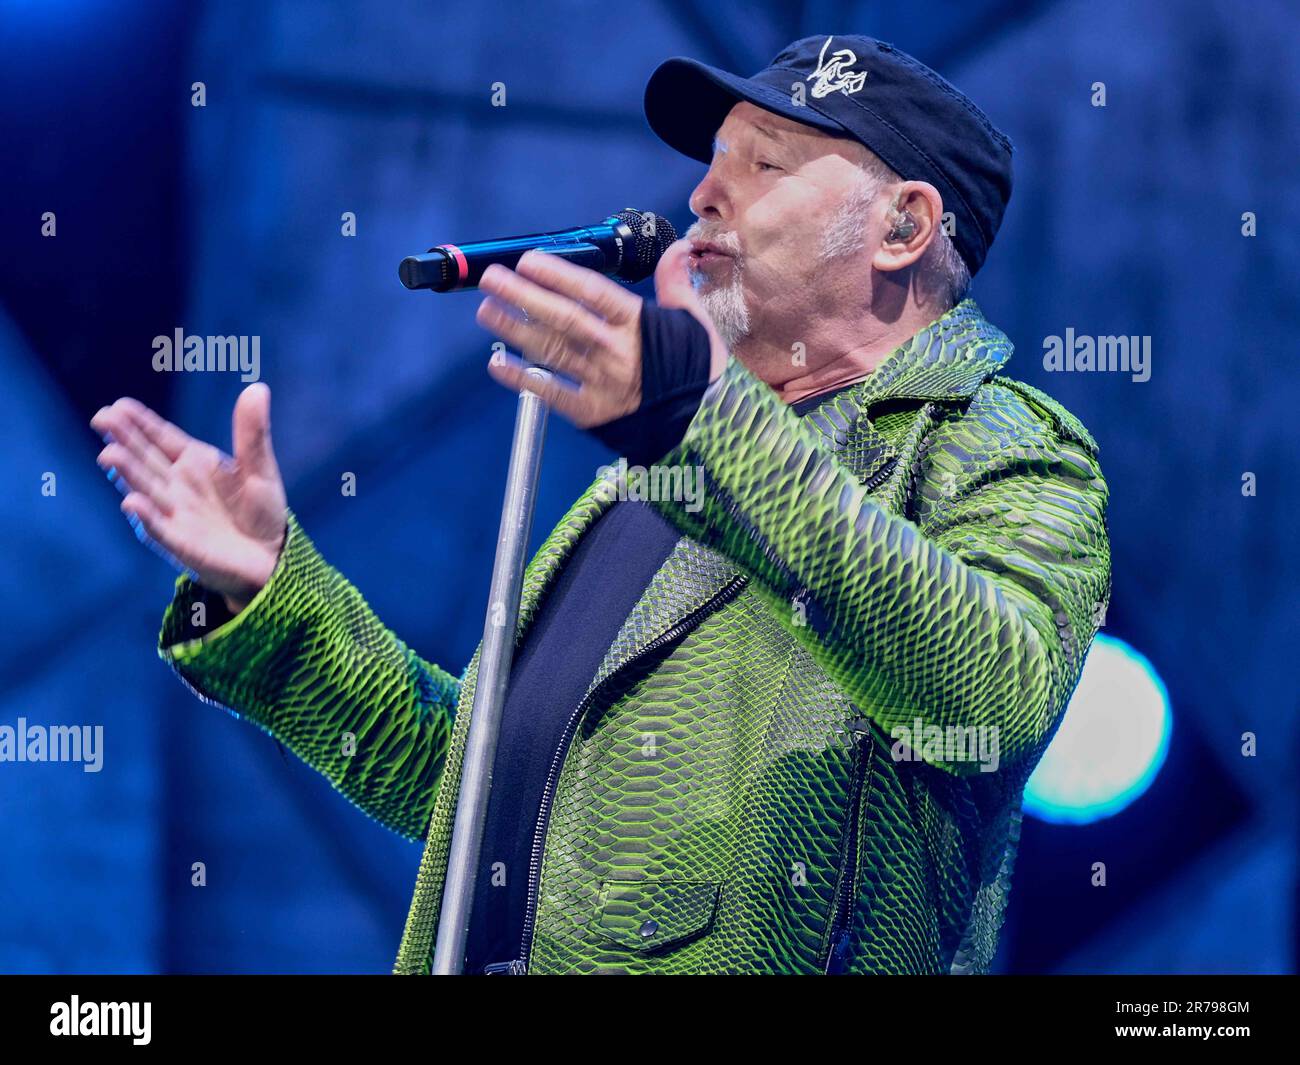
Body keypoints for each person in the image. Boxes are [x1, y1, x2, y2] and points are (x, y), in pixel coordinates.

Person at [90, 34, 1112, 975]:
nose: (704, 194)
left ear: (903, 226)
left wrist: (706, 421)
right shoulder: (666, 466)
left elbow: (990, 697)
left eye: (764, 164)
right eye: (713, 160)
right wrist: (273, 596)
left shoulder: (996, 444)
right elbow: (470, 786)